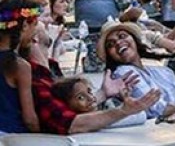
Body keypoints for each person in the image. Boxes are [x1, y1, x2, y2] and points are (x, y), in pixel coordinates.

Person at [27, 20, 160, 134]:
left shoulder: (48, 69)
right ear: (34, 38)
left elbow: (74, 103)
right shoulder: (34, 78)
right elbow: (70, 123)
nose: (49, 22)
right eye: (42, 21)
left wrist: (103, 93)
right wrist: (124, 111)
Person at [97, 21, 175, 118]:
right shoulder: (123, 72)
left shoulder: (163, 71)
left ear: (135, 41)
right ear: (109, 55)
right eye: (110, 44)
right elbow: (158, 110)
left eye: (122, 36)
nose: (118, 43)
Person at [0, 0, 41, 133]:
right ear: (24, 25)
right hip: (11, 136)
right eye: (35, 25)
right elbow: (29, 119)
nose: (35, 31)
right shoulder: (19, 66)